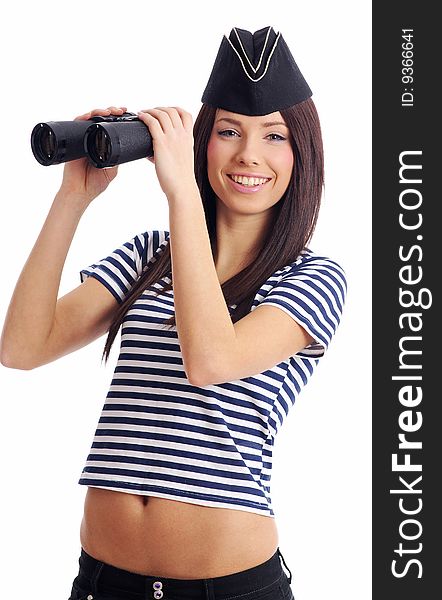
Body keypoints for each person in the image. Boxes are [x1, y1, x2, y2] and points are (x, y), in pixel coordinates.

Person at [0, 26, 346, 600]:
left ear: (302, 154)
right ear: (203, 140)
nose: (248, 155)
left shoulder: (313, 279)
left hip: (230, 588)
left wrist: (182, 192)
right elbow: (21, 348)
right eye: (229, 131)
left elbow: (210, 359)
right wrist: (74, 197)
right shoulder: (148, 256)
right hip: (104, 581)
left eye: (275, 137)